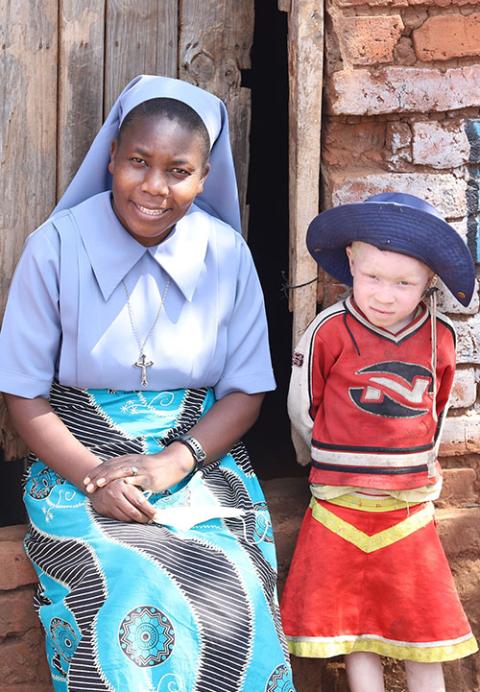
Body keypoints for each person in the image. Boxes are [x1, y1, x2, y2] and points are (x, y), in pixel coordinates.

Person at [0, 75, 295, 691]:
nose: (155, 187)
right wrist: (91, 476)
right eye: (138, 162)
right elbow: (22, 395)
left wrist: (172, 463)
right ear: (111, 156)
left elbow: (246, 392)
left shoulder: (227, 254)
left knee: (233, 584)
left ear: (203, 178)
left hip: (200, 459)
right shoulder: (54, 249)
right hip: (73, 461)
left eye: (178, 170)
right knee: (127, 587)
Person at [280, 192, 478, 692]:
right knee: (354, 625)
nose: (385, 295)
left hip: (407, 506)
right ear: (350, 262)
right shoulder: (328, 330)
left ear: (429, 280)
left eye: (404, 283)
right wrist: (316, 460)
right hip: (337, 501)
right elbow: (303, 406)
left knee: (421, 619)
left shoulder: (440, 337)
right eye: (372, 278)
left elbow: (437, 410)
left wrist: (422, 468)